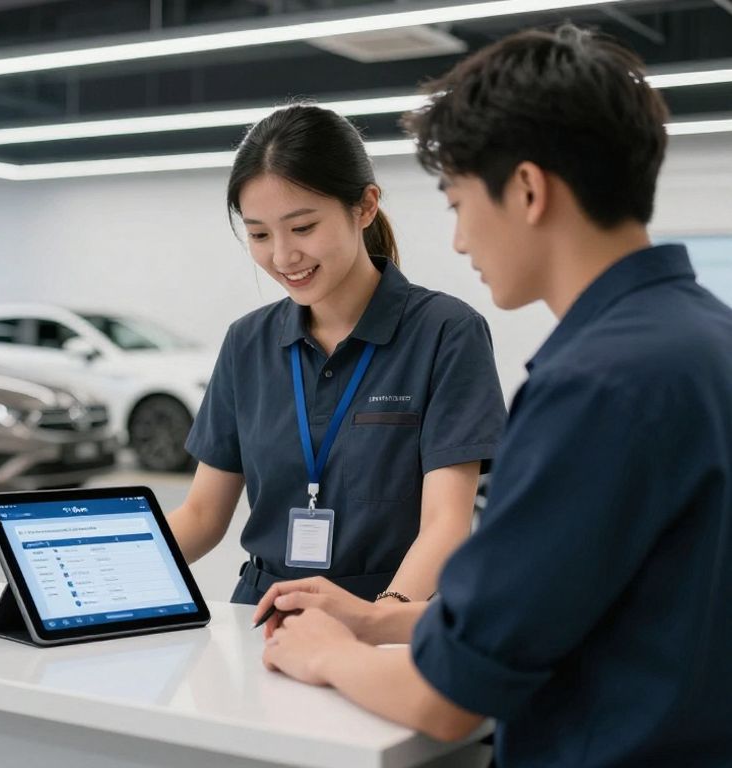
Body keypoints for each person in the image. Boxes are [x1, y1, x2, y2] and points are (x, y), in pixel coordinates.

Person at [256, 25, 732, 766]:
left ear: (528, 190)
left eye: (456, 203)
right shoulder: (705, 340)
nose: (458, 242)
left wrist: (328, 652)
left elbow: (445, 701)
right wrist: (383, 621)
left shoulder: (595, 386)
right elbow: (584, 600)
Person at [167, 104, 507, 609]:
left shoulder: (446, 332)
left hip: (389, 613)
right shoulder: (247, 342)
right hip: (264, 616)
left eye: (302, 228)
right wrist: (89, 580)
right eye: (259, 234)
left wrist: (374, 624)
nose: (282, 257)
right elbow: (200, 517)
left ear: (365, 206)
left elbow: (445, 524)